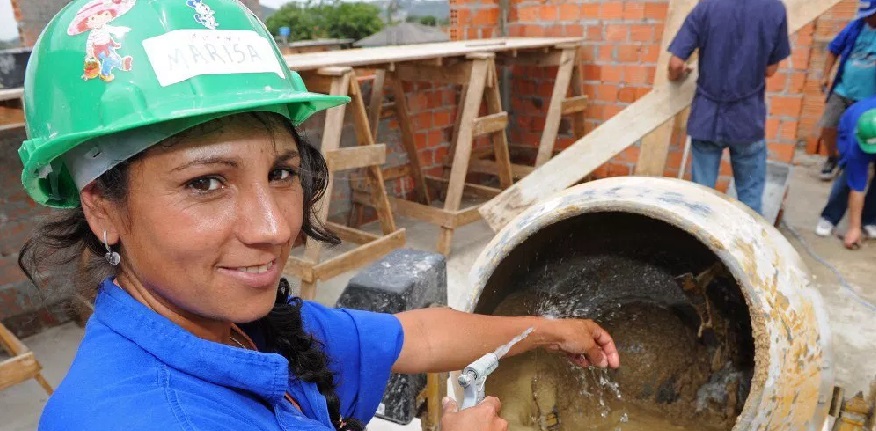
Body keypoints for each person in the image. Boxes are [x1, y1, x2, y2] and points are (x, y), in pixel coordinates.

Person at [17, 1, 620, 430]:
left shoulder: (242, 325)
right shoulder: (138, 417)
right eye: (205, 182)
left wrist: (549, 331)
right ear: (101, 208)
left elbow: (417, 335)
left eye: (281, 173)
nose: (275, 228)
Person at [667, 0, 791, 216]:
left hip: (707, 117)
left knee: (701, 202)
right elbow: (771, 70)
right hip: (747, 118)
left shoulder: (707, 7)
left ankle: (699, 248)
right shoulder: (775, 8)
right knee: (750, 202)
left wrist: (675, 76)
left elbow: (676, 63)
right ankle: (749, 247)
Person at [818, 2, 876, 180]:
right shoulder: (855, 26)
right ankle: (832, 158)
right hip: (842, 90)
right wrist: (825, 75)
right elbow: (833, 49)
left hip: (868, 98)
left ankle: (853, 167)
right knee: (828, 125)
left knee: (859, 135)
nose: (867, 17)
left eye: (871, 14)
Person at [816, 100, 876, 249]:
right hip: (850, 132)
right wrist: (853, 228)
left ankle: (870, 219)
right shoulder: (856, 140)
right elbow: (858, 186)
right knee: (850, 177)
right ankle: (829, 217)